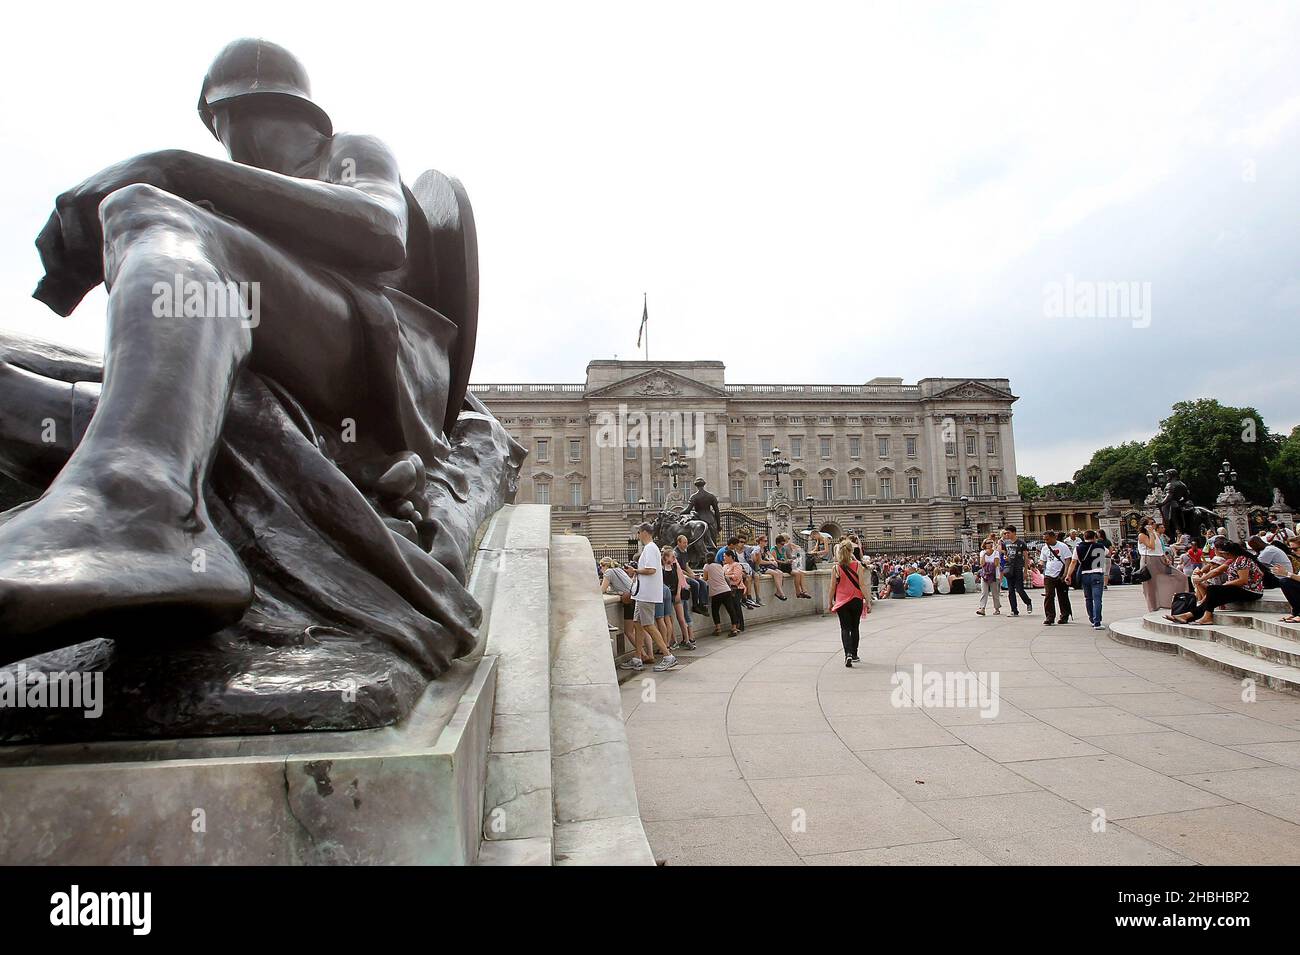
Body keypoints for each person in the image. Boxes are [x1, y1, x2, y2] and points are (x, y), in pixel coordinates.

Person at [1167, 538, 1262, 625]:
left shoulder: (1242, 560)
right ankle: (1188, 616)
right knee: (1211, 598)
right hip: (1241, 589)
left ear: (1228, 553)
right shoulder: (1235, 560)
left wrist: (1226, 584)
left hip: (1251, 591)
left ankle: (1205, 617)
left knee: (1213, 589)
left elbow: (1243, 580)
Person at [630, 522, 676, 671]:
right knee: (637, 623)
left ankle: (668, 656)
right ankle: (637, 658)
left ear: (644, 532)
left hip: (646, 594)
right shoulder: (651, 548)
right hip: (642, 593)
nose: (637, 535)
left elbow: (651, 570)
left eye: (638, 532)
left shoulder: (650, 548)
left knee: (648, 625)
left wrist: (635, 571)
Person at [827, 538, 867, 668]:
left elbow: (832, 587)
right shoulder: (858, 565)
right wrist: (869, 601)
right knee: (855, 627)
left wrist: (830, 602)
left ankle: (847, 654)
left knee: (845, 628)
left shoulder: (836, 568)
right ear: (851, 551)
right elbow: (862, 584)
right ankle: (855, 654)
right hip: (856, 600)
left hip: (842, 601)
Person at [1070, 529, 1109, 630]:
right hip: (1097, 573)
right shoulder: (1100, 546)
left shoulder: (1078, 548)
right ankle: (1097, 622)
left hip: (1084, 574)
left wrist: (1068, 575)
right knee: (1097, 599)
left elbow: (1073, 562)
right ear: (1095, 537)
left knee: (1088, 598)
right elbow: (1108, 552)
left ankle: (1092, 618)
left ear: (1084, 537)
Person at [600, 557, 638, 658]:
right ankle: (648, 654)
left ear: (604, 565)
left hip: (629, 601)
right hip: (635, 598)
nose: (600, 569)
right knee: (640, 629)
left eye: (601, 566)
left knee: (629, 632)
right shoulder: (619, 570)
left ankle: (641, 655)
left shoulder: (608, 572)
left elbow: (601, 590)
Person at [662, 547, 695, 652]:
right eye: (672, 556)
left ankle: (686, 640)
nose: (674, 558)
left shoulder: (675, 566)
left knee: (681, 618)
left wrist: (678, 593)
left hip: (675, 593)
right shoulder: (662, 568)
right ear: (666, 557)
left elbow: (679, 580)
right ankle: (674, 640)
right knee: (670, 619)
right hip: (667, 596)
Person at [1039, 530, 1074, 626]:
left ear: (1054, 537)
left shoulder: (1062, 546)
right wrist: (1040, 565)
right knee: (1049, 595)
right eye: (1044, 540)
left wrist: (1066, 574)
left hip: (1061, 573)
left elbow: (1068, 560)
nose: (1046, 541)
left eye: (1047, 539)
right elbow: (1043, 560)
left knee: (1062, 596)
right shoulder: (1045, 548)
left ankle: (1064, 615)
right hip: (1049, 574)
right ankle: (1049, 617)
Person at [703, 554, 742, 636]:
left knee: (715, 610)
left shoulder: (707, 566)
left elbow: (705, 578)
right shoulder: (719, 565)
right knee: (731, 609)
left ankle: (718, 628)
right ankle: (734, 628)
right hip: (726, 589)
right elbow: (723, 576)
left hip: (716, 592)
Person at [1000, 524, 1034, 616]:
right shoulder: (1005, 543)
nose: (1006, 535)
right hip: (1009, 568)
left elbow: (1026, 558)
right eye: (1005, 533)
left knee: (1019, 589)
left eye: (1008, 533)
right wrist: (1005, 557)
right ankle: (1014, 610)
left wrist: (1026, 571)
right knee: (1010, 590)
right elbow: (1004, 554)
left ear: (1014, 532)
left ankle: (1028, 602)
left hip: (1018, 568)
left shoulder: (1021, 543)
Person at [675, 533, 709, 614]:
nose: (686, 545)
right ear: (678, 543)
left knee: (703, 582)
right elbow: (679, 569)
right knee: (695, 584)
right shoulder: (676, 553)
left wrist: (694, 575)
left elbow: (686, 566)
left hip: (687, 574)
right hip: (681, 576)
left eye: (686, 542)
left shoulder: (684, 552)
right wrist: (691, 576)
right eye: (684, 543)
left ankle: (703, 604)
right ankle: (695, 605)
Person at [752, 534, 788, 600]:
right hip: (760, 567)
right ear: (760, 541)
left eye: (767, 541)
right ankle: (781, 593)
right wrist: (771, 562)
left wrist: (773, 560)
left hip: (767, 565)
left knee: (780, 573)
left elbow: (770, 555)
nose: (766, 542)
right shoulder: (757, 549)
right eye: (765, 541)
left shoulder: (765, 548)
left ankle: (778, 592)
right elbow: (760, 562)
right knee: (776, 573)